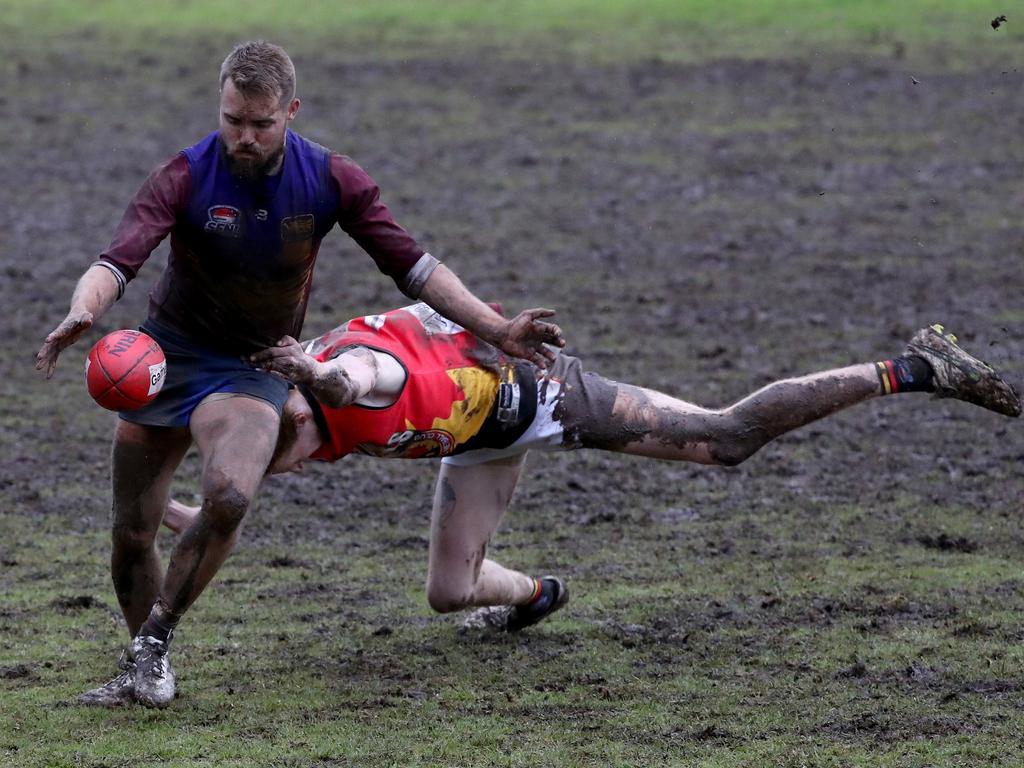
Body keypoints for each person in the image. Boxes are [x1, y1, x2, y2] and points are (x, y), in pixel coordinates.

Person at [35, 41, 563, 709]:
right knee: (132, 534)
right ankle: (145, 672)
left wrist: (495, 330)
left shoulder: (330, 179)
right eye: (232, 120)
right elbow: (117, 260)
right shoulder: (185, 175)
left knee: (228, 495)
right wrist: (84, 310)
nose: (244, 137)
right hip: (167, 359)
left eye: (260, 123)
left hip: (252, 365)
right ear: (220, 107)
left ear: (290, 111)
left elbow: (416, 266)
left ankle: (153, 648)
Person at [163, 304, 1020, 654]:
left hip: (542, 397)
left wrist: (319, 377)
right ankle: (538, 593)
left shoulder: (343, 383)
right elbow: (223, 505)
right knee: (448, 591)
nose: (269, 456)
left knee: (726, 440)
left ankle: (913, 368)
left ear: (295, 404)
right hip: (474, 435)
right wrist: (151, 511)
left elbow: (360, 381)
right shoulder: (275, 427)